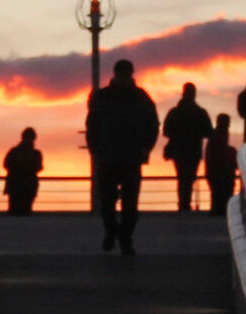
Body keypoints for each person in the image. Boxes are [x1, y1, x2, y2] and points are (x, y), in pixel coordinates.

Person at [86, 58, 159, 255]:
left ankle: (125, 238)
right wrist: (95, 150)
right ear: (116, 74)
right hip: (108, 157)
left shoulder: (140, 97)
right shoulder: (103, 97)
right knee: (107, 201)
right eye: (122, 74)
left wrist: (146, 147)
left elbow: (153, 125)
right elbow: (92, 126)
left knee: (130, 204)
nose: (125, 78)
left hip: (131, 157)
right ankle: (112, 231)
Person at [162, 83, 211, 213]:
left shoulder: (175, 112)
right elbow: (208, 132)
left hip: (178, 150)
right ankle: (185, 203)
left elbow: (166, 131)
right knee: (189, 177)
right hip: (193, 150)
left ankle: (183, 203)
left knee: (182, 177)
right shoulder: (200, 113)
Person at [2, 127, 43, 216]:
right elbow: (39, 167)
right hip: (21, 185)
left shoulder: (16, 151)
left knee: (18, 213)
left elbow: (6, 164)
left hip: (22, 186)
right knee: (21, 213)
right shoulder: (34, 154)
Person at [203, 113, 237, 214]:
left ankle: (217, 209)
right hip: (218, 170)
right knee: (221, 190)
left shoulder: (216, 134)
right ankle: (220, 210)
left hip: (214, 169)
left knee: (217, 191)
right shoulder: (220, 134)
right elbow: (220, 153)